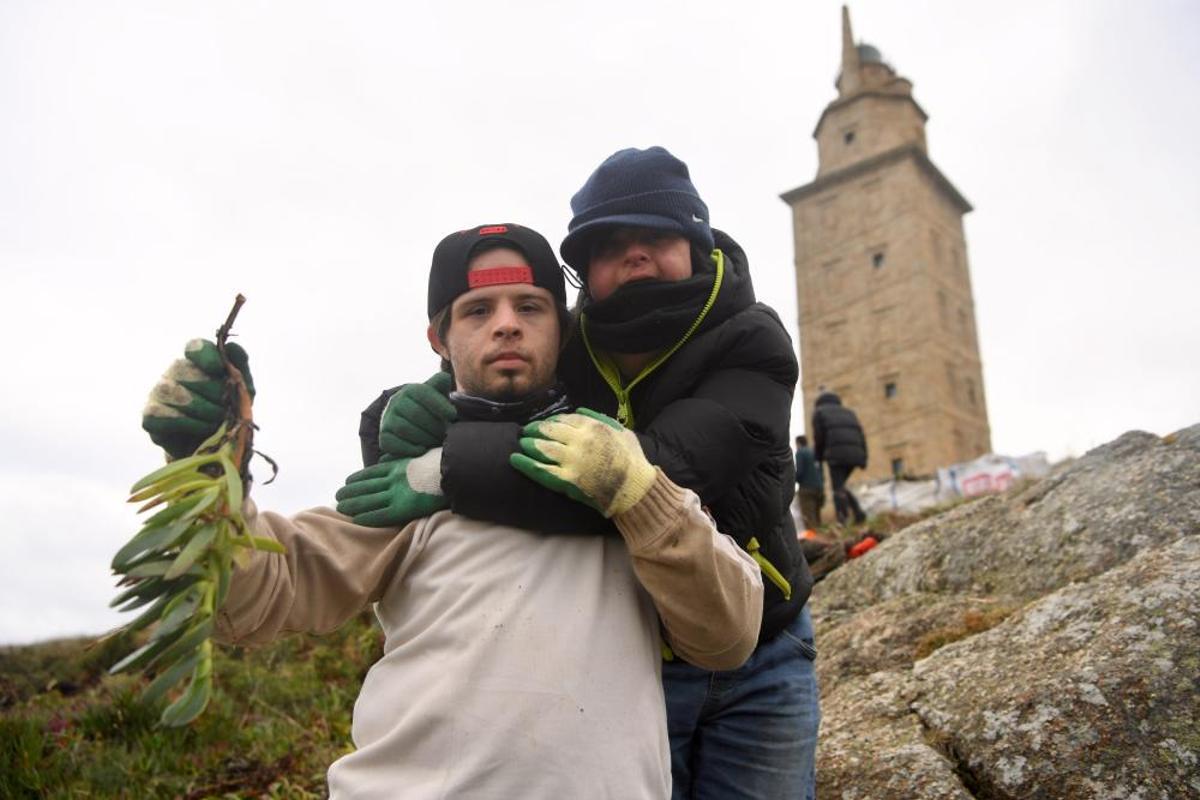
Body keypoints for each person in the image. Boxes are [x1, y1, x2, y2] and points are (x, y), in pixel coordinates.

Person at [140, 222, 764, 798]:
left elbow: (728, 635)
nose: (507, 325)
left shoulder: (620, 472)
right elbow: (259, 597)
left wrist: (637, 494)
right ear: (439, 339)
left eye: (530, 307)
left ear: (563, 328)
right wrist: (206, 471)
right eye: (477, 310)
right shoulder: (406, 483)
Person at [353, 148, 820, 800]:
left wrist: (443, 469)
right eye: (608, 245)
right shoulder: (566, 342)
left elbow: (662, 473)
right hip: (635, 655)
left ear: (697, 244)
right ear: (584, 271)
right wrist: (390, 416)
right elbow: (475, 388)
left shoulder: (752, 341)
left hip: (762, 652)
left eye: (657, 235)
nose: (635, 256)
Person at [811, 389, 868, 525]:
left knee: (837, 488)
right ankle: (859, 514)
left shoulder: (819, 412)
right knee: (840, 485)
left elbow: (819, 437)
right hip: (856, 455)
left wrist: (818, 457)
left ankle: (843, 519)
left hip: (835, 455)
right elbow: (861, 435)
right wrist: (864, 458)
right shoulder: (849, 412)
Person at [794, 434, 824, 530]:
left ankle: (814, 538)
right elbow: (821, 470)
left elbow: (800, 472)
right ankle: (822, 535)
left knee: (809, 519)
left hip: (806, 488)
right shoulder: (814, 452)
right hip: (819, 487)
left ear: (798, 443)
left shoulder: (800, 452)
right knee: (817, 518)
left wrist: (792, 480)